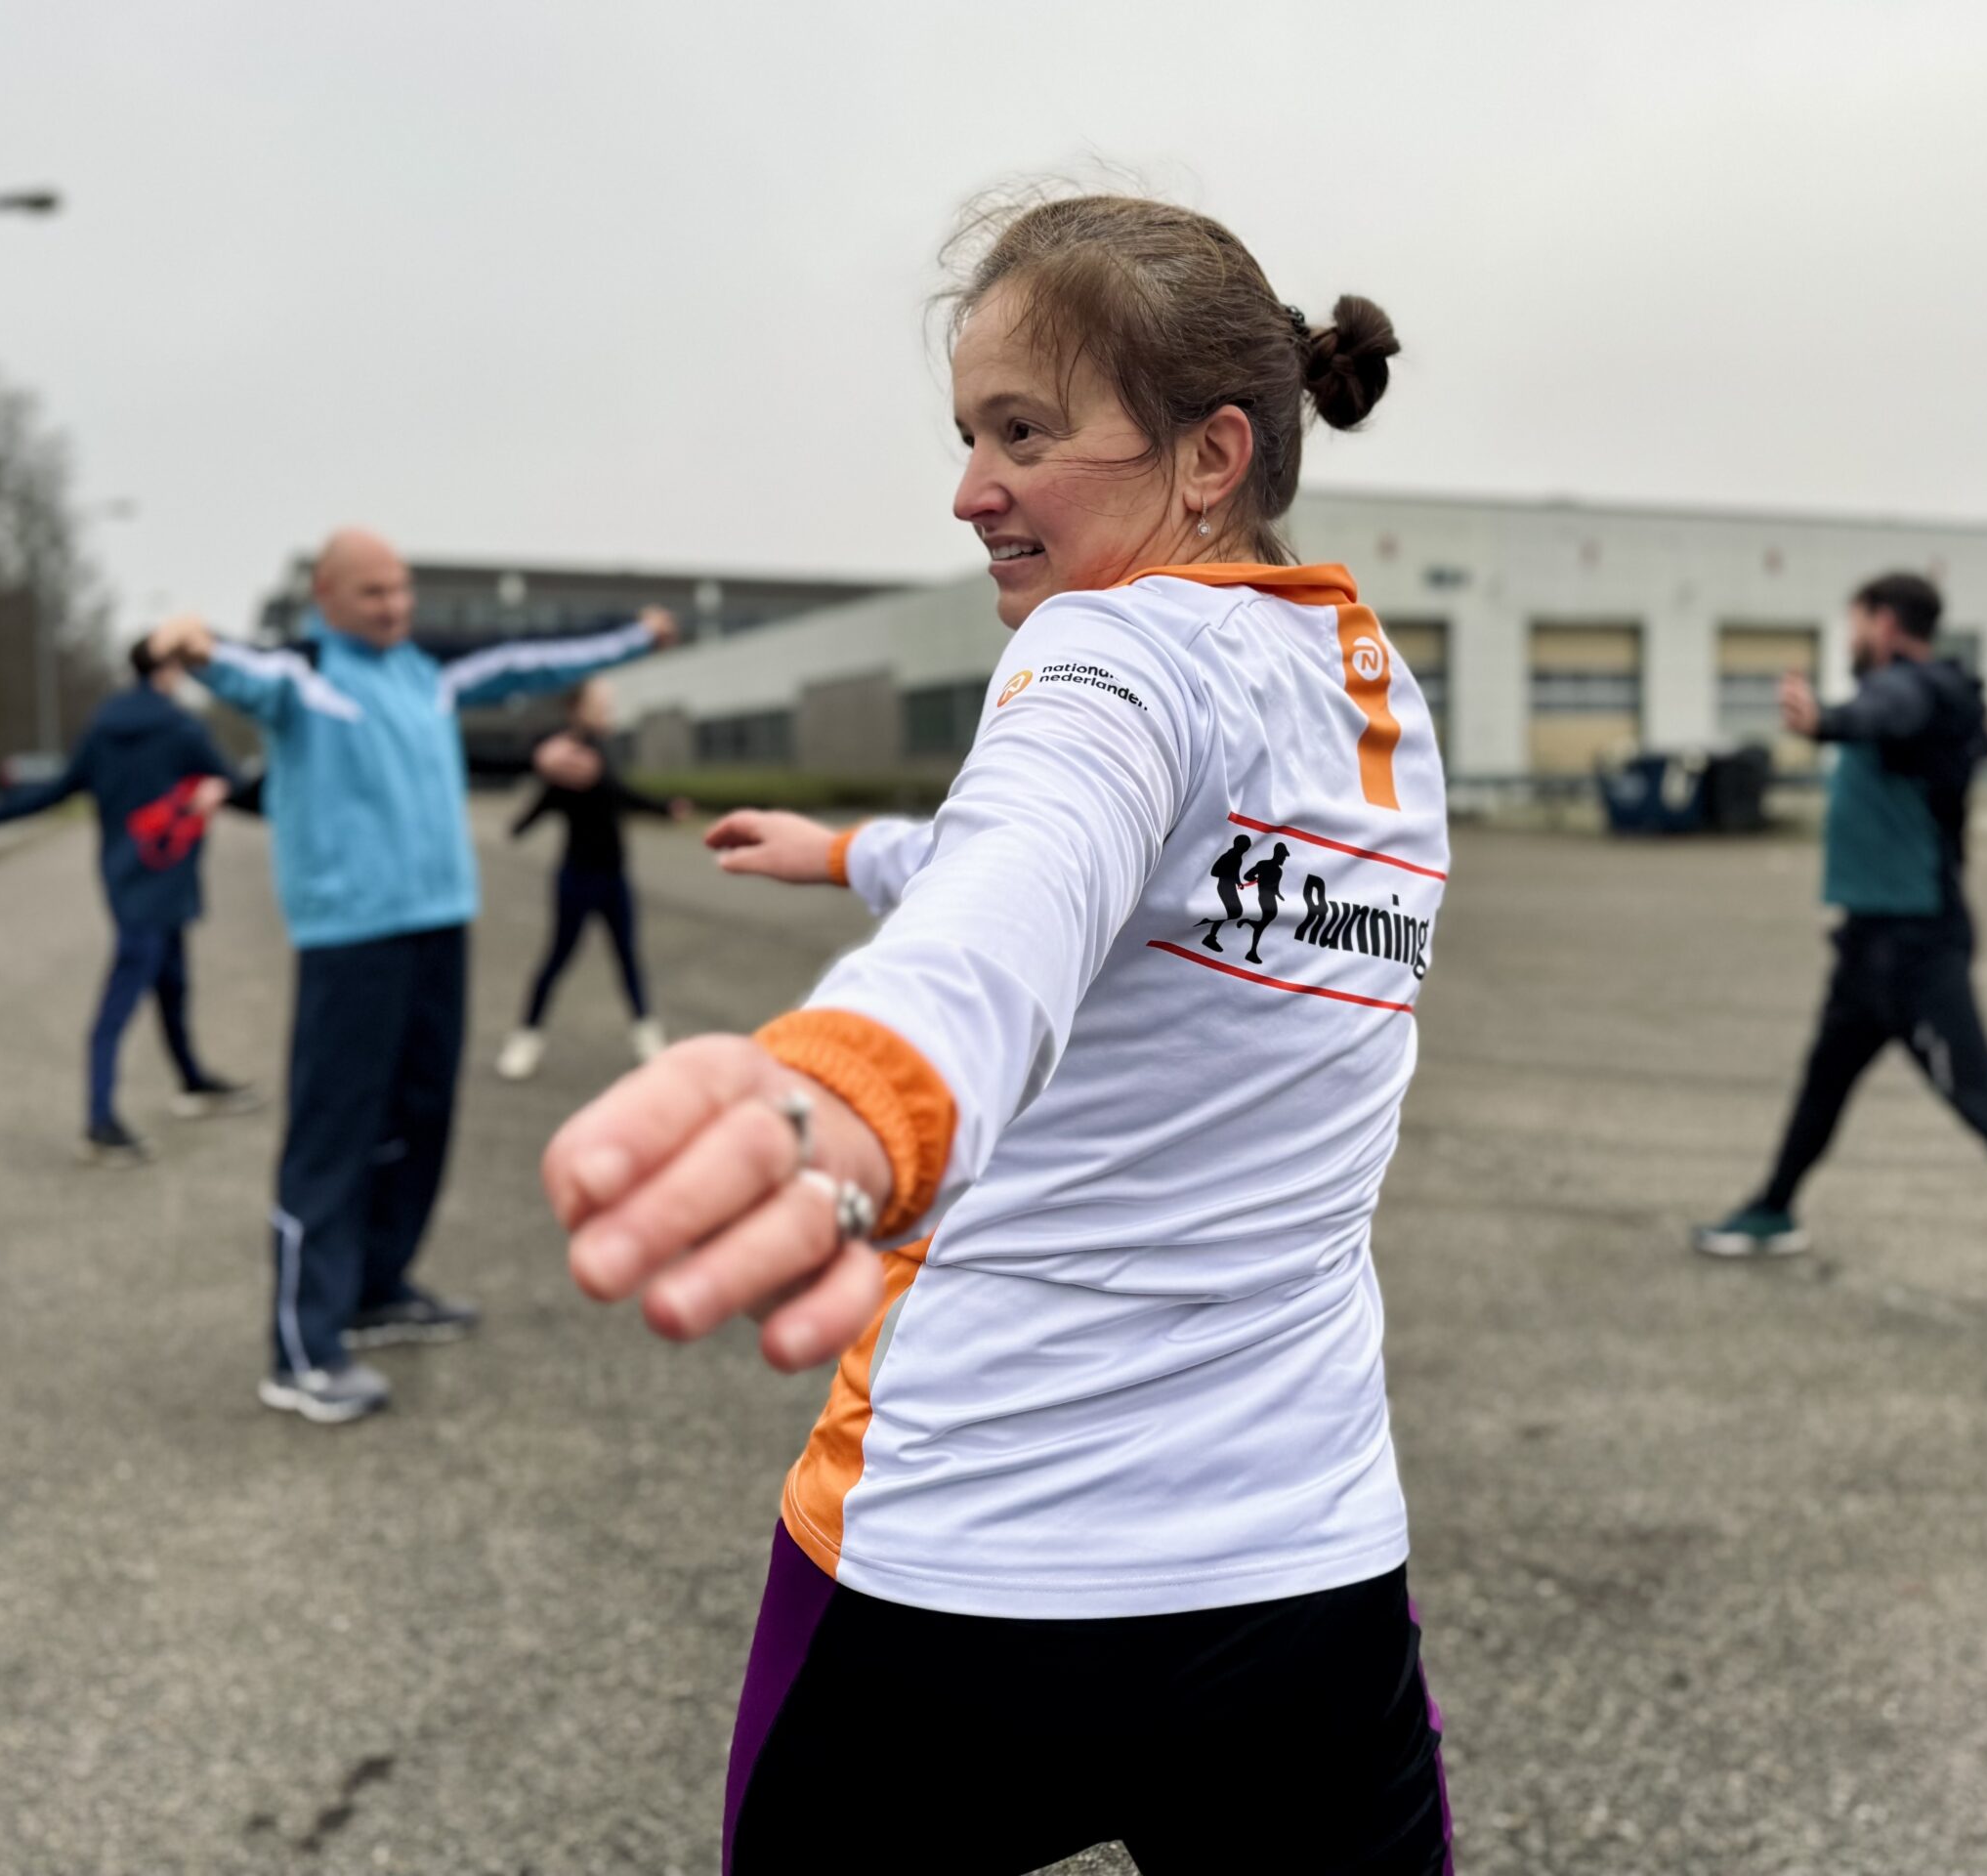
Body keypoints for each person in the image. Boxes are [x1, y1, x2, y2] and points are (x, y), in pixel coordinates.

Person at [550, 194, 1454, 1873]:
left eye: (1023, 433)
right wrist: (850, 853)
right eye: (969, 434)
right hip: (1303, 1593)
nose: (971, 489)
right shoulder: (1363, 685)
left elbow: (1029, 891)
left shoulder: (1107, 646)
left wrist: (856, 1094)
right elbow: (1068, 872)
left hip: (963, 1580)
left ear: (1209, 455)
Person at [147, 533, 674, 1425]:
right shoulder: (304, 675)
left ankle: (377, 1289)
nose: (393, 607)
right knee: (333, 1136)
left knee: (422, 1116)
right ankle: (301, 1351)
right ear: (326, 594)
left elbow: (536, 657)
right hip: (351, 940)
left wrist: (637, 633)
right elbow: (237, 668)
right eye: (371, 593)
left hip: (440, 926)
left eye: (401, 591)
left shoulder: (431, 672)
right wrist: (192, 643)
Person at [1693, 572, 1987, 1376]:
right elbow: (1922, 726)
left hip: (1919, 955)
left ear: (1886, 623)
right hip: (1864, 951)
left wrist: (1826, 720)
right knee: (1821, 1086)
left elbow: (1892, 711)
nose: (1850, 636)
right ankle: (1774, 1209)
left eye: (1856, 620)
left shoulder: (1914, 690)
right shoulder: (1934, 699)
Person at [0, 633, 262, 1165]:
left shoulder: (102, 729)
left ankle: (194, 1083)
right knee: (120, 1002)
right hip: (167, 880)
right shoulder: (181, 728)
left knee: (172, 985)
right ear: (169, 670)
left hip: (125, 881)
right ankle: (99, 1122)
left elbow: (55, 791)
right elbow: (237, 785)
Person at [496, 679, 690, 1082]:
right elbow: (548, 799)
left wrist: (666, 809)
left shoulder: (603, 750)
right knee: (558, 958)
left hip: (614, 877)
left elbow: (620, 796)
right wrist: (519, 825)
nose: (609, 710)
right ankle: (525, 1039)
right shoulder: (565, 754)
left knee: (627, 957)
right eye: (602, 703)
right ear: (577, 708)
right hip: (576, 879)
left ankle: (646, 1036)